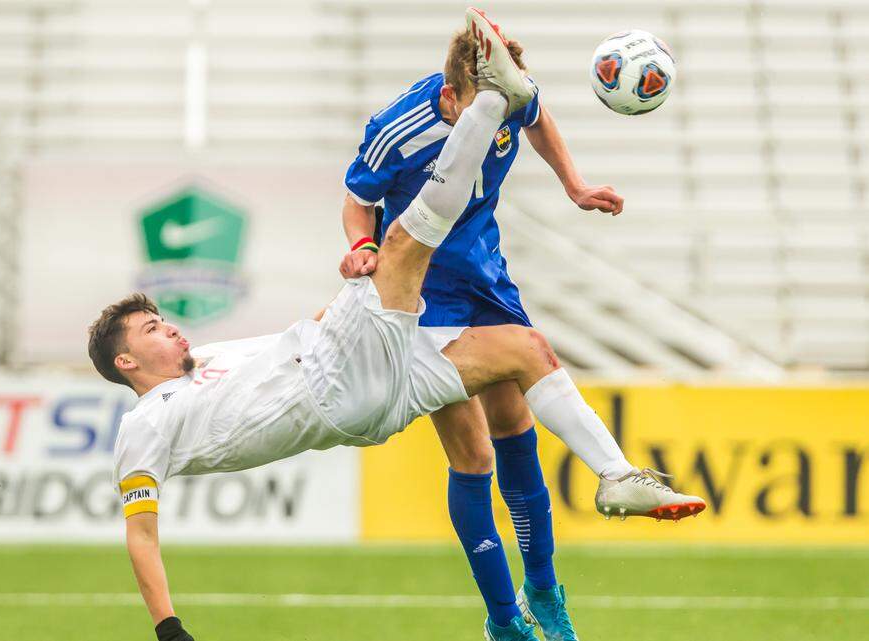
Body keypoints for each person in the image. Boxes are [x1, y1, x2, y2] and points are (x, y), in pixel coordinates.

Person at [95, 13, 703, 640]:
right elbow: (140, 529)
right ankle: (515, 600)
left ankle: (546, 584)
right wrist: (168, 628)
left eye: (162, 320)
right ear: (126, 364)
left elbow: (289, 344)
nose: (170, 329)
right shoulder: (146, 424)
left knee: (526, 364)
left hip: (363, 345)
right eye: (151, 330)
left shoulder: (213, 358)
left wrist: (570, 184)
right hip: (349, 375)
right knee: (412, 249)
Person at [337, 9, 678, 640]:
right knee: (473, 453)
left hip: (485, 276)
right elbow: (358, 196)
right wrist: (361, 247)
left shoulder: (505, 93)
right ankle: (505, 621)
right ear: (449, 98)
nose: (498, 117)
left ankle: (544, 593)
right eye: (482, 112)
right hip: (424, 295)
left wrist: (573, 183)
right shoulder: (400, 127)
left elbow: (537, 112)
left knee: (518, 432)